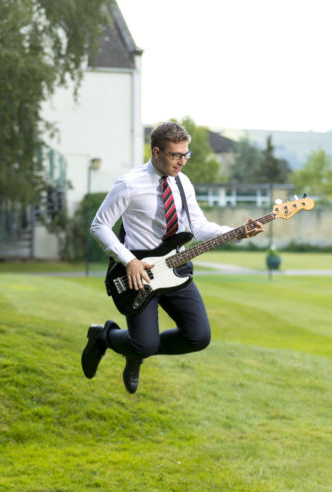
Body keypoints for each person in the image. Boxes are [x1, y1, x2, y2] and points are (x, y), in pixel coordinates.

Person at [81, 122, 264, 394]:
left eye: (186, 154)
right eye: (176, 155)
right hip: (138, 272)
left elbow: (198, 227)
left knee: (198, 337)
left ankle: (136, 351)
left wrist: (237, 233)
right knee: (144, 343)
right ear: (156, 152)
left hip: (176, 269)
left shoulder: (183, 183)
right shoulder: (129, 184)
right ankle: (103, 337)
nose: (182, 161)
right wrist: (128, 260)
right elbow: (99, 225)